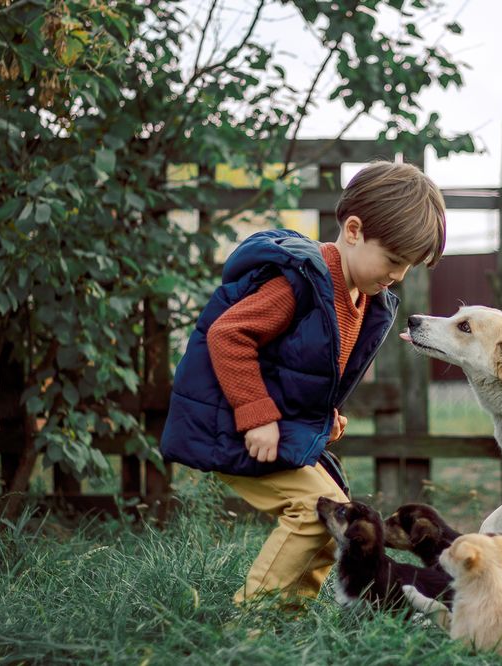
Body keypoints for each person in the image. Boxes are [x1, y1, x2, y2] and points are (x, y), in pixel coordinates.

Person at [160, 160, 447, 605]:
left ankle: (286, 621)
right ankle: (250, 625)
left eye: (408, 265)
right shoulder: (300, 283)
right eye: (393, 260)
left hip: (277, 429)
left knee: (335, 522)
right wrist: (256, 414)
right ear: (354, 230)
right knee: (315, 515)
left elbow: (300, 369)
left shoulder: (360, 299)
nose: (398, 275)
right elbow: (228, 335)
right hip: (232, 424)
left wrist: (322, 414)